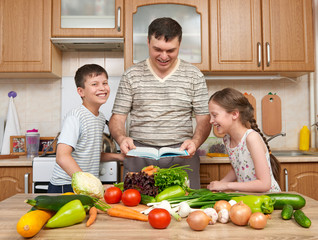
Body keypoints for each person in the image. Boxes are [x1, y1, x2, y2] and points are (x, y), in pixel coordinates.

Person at [109, 17, 211, 189]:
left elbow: (204, 119)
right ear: (148, 42)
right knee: (136, 211)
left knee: (186, 210)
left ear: (180, 45)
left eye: (171, 50)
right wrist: (121, 138)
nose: (164, 56)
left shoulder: (194, 76)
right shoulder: (131, 75)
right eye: (158, 49)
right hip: (138, 155)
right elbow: (117, 119)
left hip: (182, 155)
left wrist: (195, 142)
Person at [48, 64, 124, 193]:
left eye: (105, 83)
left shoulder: (100, 118)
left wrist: (120, 157)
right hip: (67, 186)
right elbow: (62, 157)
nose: (102, 88)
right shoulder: (75, 116)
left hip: (83, 185)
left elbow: (89, 153)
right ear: (81, 91)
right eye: (94, 84)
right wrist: (90, 184)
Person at [207, 88, 281, 192]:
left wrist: (226, 186)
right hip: (249, 197)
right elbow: (237, 168)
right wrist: (220, 184)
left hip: (268, 199)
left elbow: (264, 184)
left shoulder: (251, 138)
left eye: (214, 115)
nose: (211, 121)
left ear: (234, 114)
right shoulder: (227, 139)